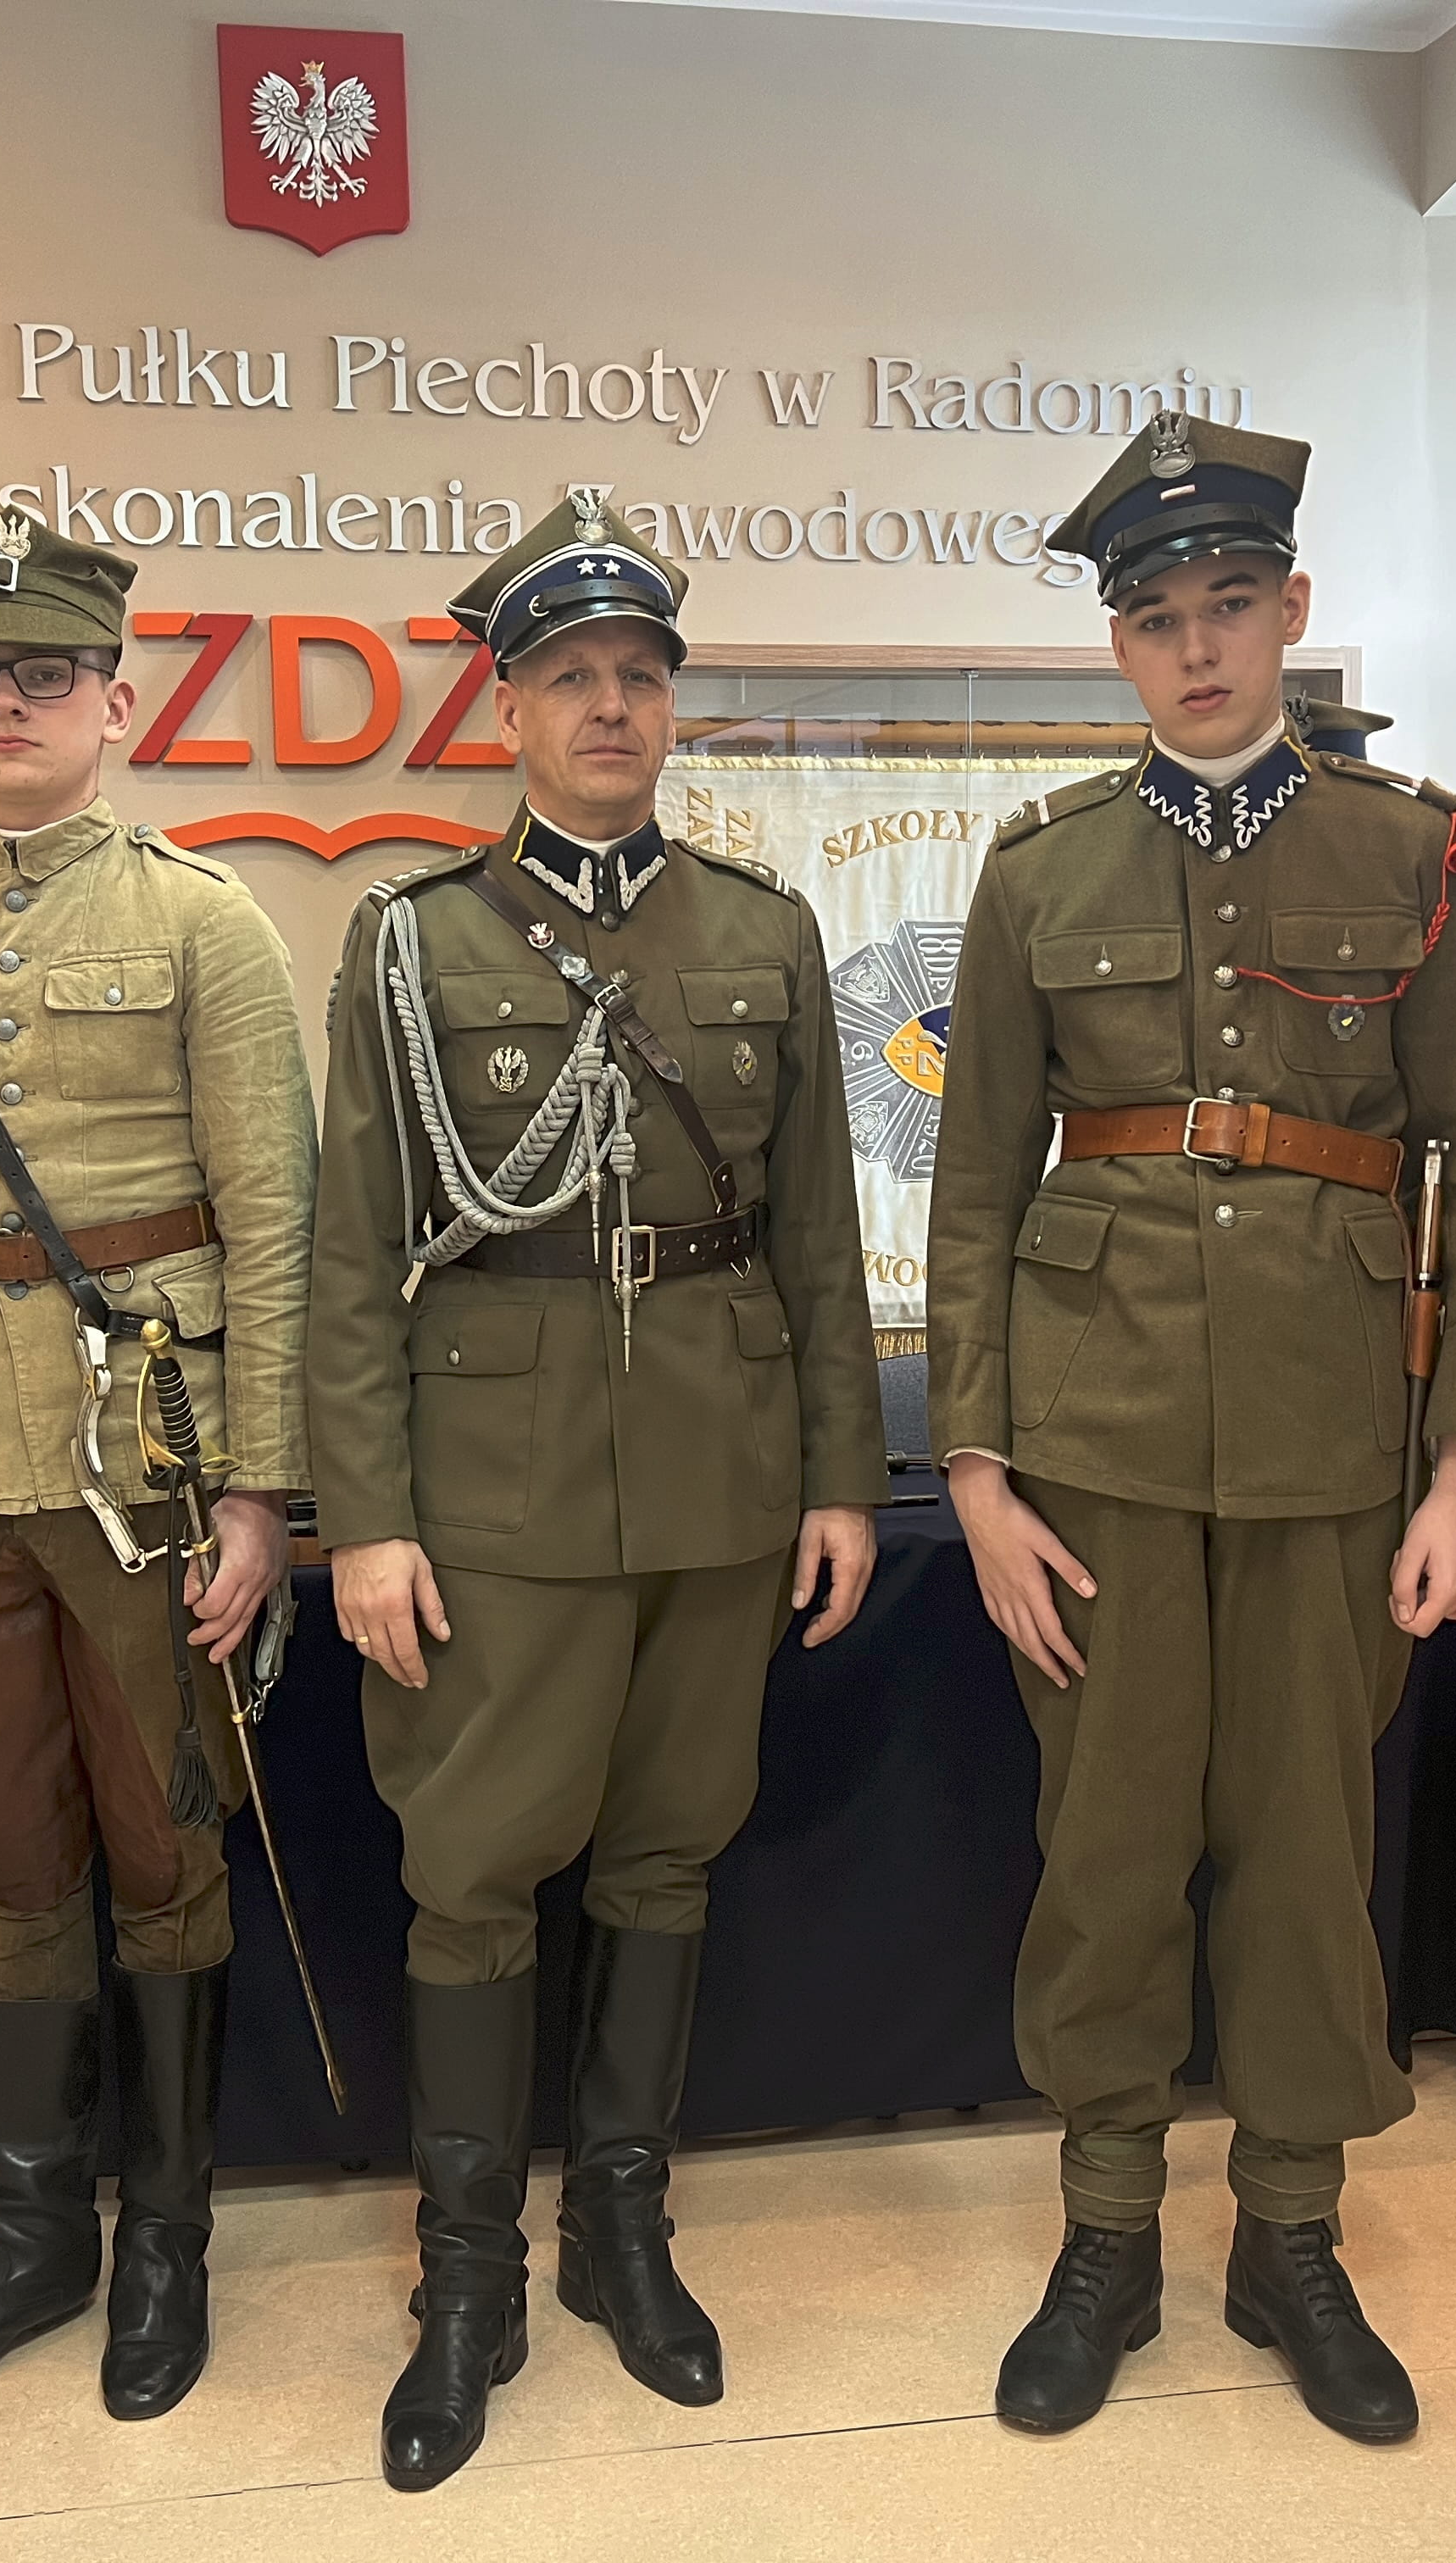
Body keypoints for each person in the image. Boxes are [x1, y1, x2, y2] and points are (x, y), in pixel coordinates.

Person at [925, 414, 1456, 2444]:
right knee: (1105, 1850)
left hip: (1328, 1440)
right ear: (1119, 645)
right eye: (1156, 619)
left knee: (1302, 1853)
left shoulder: (1408, 852)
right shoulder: (1042, 870)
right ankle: (1107, 2231)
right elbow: (976, 1194)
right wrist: (978, 1474)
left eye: (1229, 606)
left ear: (1292, 612)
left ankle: (1290, 2233)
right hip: (1093, 1438)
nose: (1196, 649)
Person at [307, 491, 886, 2493]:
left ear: (671, 704)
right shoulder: (415, 941)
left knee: (664, 1859)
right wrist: (366, 1515)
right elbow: (352, 1252)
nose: (612, 707)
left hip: (720, 1474)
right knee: (472, 1874)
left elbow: (817, 1240)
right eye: (571, 677)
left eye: (641, 675)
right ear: (510, 708)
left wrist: (840, 1477)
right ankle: (466, 2272)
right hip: (497, 1482)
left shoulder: (762, 932)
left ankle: (622, 2230)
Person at [0, 507, 314, 2426]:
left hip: (148, 1457)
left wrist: (261, 1490)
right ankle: (32, 2239)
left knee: (167, 1853)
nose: (7, 703)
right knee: (2, 1858)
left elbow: (277, 1220)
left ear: (117, 701)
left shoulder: (204, 922)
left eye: (45, 674)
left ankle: (164, 2242)